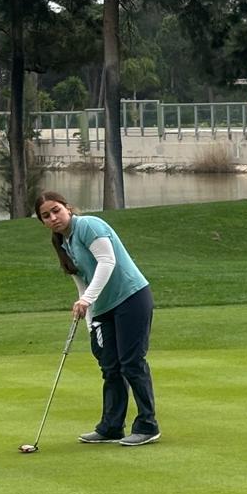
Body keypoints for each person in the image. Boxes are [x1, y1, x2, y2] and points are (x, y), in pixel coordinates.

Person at [35, 191, 161, 447]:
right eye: (46, 216)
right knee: (110, 366)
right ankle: (111, 427)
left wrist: (87, 300)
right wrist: (90, 320)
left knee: (131, 363)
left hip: (131, 297)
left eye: (56, 210)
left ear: (67, 208)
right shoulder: (63, 243)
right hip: (102, 308)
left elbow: (107, 261)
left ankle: (147, 426)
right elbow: (81, 282)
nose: (53, 218)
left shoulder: (88, 225)